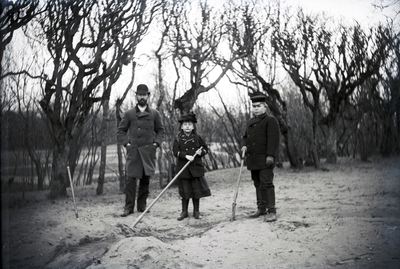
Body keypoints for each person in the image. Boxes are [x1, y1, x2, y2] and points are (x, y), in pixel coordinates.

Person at [117, 84, 165, 217]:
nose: (142, 97)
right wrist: (126, 144)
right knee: (130, 180)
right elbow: (121, 131)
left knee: (145, 180)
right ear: (136, 96)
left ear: (148, 96)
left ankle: (142, 205)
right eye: (140, 95)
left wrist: (156, 143)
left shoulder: (155, 113)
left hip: (148, 151)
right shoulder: (129, 114)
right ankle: (128, 207)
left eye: (144, 95)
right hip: (134, 152)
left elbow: (160, 130)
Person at [241, 94, 280, 222]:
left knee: (267, 184)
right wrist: (244, 146)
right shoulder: (250, 122)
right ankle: (261, 208)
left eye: (258, 106)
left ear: (265, 107)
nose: (256, 109)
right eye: (254, 106)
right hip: (253, 160)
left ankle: (272, 211)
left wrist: (270, 155)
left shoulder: (270, 120)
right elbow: (245, 137)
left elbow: (273, 140)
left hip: (265, 159)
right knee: (257, 184)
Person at [173, 112, 211, 220]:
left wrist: (201, 152)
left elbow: (205, 149)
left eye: (189, 124)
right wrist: (186, 156)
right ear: (181, 127)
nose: (187, 126)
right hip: (183, 169)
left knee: (196, 191)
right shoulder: (178, 138)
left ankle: (196, 212)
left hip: (196, 168)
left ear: (193, 126)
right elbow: (175, 152)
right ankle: (184, 212)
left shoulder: (198, 137)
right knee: (185, 192)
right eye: (185, 124)